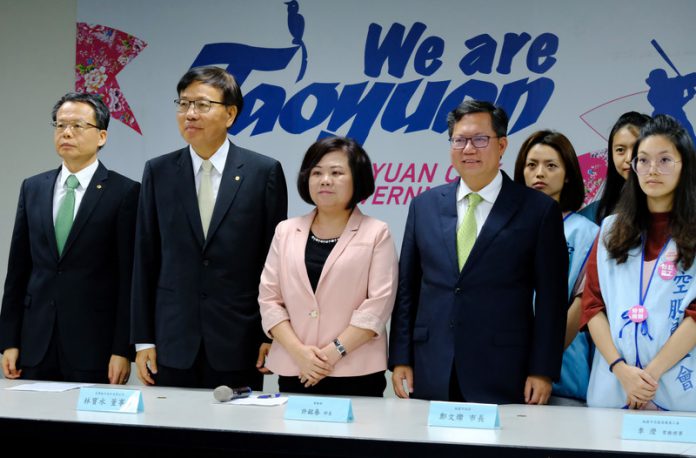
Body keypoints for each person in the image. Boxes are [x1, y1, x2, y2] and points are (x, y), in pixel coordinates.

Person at [388, 100, 568, 404]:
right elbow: (408, 289)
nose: (468, 149)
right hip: (432, 365)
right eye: (459, 140)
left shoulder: (538, 210)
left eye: (480, 139)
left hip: (503, 368)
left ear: (502, 145)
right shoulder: (424, 206)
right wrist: (401, 357)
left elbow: (552, 299)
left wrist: (542, 370)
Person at [131, 66, 288, 389]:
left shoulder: (263, 173)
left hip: (239, 339)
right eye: (183, 104)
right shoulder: (159, 172)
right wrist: (143, 339)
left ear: (230, 114)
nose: (190, 113)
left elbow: (273, 264)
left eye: (202, 105)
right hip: (172, 339)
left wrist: (268, 333)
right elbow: (145, 258)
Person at [0, 92, 139, 384]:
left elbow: (129, 279)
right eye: (60, 125)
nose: (66, 132)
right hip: (35, 342)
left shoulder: (124, 192)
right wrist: (8, 340)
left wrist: (122, 349)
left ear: (101, 136)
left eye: (77, 125)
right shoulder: (33, 187)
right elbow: (18, 271)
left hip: (94, 345)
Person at [259, 137, 397, 397]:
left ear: (358, 179)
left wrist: (330, 355)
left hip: (355, 371)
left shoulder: (376, 232)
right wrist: (299, 353)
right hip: (296, 368)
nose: (325, 180)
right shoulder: (285, 231)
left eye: (336, 173)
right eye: (317, 173)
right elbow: (269, 300)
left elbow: (377, 306)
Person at [581, 114, 696, 411]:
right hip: (615, 386)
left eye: (664, 160)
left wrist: (650, 375)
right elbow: (592, 306)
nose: (652, 170)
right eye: (643, 160)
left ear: (684, 166)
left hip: (675, 389)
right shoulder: (610, 229)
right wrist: (622, 371)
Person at [514, 130, 598, 404]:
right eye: (531, 165)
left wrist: (543, 359)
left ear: (568, 174)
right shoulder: (505, 226)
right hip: (505, 366)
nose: (540, 173)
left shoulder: (586, 232)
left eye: (551, 166)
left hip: (563, 370)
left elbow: (583, 303)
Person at [579, 112, 651, 223]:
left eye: (637, 148)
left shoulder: (672, 208)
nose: (629, 158)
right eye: (620, 150)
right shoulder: (592, 215)